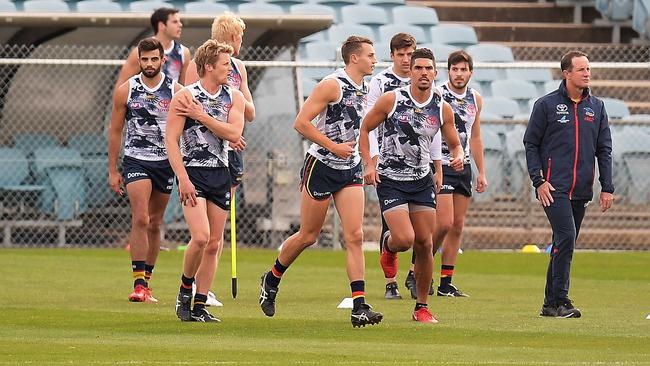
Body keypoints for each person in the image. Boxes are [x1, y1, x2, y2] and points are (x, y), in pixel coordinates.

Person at [258, 36, 383, 328]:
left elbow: (363, 128)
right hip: (322, 165)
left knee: (354, 235)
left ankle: (359, 306)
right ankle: (272, 277)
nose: (375, 60)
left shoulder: (367, 87)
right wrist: (333, 146)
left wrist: (367, 159)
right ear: (354, 58)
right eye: (371, 55)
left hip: (349, 167)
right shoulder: (332, 85)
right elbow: (301, 122)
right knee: (308, 236)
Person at [359, 48, 464, 323]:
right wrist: (370, 164)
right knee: (404, 239)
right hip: (391, 179)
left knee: (425, 243)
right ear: (411, 72)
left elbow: (453, 142)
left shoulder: (441, 107)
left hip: (421, 180)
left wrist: (458, 156)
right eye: (418, 68)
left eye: (429, 68)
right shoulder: (392, 100)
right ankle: (389, 245)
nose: (424, 73)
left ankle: (421, 307)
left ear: (435, 73)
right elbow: (365, 128)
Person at [524, 50, 614, 318]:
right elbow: (531, 143)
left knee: (564, 242)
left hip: (581, 189)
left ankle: (549, 304)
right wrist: (538, 181)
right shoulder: (546, 105)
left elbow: (604, 149)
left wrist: (607, 186)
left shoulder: (596, 107)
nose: (587, 73)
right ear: (566, 73)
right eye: (582, 69)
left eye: (589, 69)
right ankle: (561, 300)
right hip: (554, 188)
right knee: (565, 238)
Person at [166, 39, 245, 322]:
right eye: (225, 64)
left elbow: (234, 132)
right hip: (193, 172)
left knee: (214, 242)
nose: (230, 68)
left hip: (220, 172)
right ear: (209, 66)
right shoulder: (185, 96)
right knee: (199, 237)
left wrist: (202, 116)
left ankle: (200, 304)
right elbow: (171, 141)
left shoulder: (234, 97)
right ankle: (185, 289)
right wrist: (183, 179)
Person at [184, 12, 256, 306]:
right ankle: (192, 287)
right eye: (239, 36)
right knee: (202, 234)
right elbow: (193, 107)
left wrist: (235, 102)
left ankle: (204, 288)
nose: (241, 42)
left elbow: (249, 111)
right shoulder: (198, 65)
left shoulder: (239, 68)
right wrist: (226, 127)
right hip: (201, 155)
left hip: (229, 152)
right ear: (232, 36)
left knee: (217, 233)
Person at [108, 37, 182, 303]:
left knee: (156, 222)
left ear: (163, 60)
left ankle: (147, 283)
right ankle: (137, 284)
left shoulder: (176, 90)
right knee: (140, 218)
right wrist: (112, 169)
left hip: (165, 163)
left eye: (154, 59)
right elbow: (115, 130)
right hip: (136, 160)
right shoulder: (126, 90)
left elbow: (193, 123)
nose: (149, 64)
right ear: (138, 60)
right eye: (144, 59)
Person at [431, 50, 487, 298]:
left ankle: (446, 282)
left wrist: (481, 171)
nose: (459, 74)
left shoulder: (475, 98)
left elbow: (475, 136)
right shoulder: (438, 94)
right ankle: (417, 269)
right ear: (448, 71)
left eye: (463, 69)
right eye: (455, 69)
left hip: (462, 166)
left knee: (457, 225)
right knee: (442, 223)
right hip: (441, 164)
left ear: (470, 73)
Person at [114, 7, 190, 88]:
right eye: (175, 22)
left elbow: (184, 87)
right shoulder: (140, 51)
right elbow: (121, 85)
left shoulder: (183, 52)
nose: (180, 25)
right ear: (161, 25)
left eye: (179, 21)